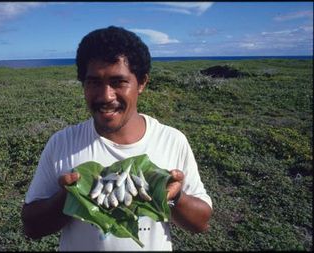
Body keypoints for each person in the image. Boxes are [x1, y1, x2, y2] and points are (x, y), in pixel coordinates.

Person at [21, 26, 212, 251]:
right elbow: (32, 227)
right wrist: (67, 197)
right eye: (94, 82)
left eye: (118, 82)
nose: (106, 96)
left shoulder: (171, 140)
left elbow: (201, 223)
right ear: (83, 84)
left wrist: (175, 196)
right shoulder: (62, 143)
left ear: (141, 83)